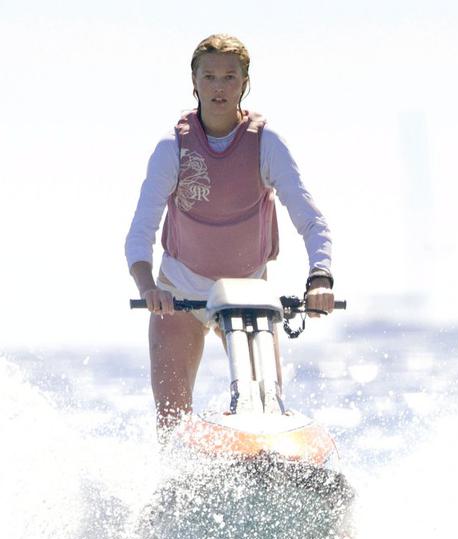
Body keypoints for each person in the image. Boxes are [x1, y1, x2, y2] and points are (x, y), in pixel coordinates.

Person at [125, 34, 334, 440]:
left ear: (244, 83)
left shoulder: (266, 143)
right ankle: (181, 468)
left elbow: (311, 220)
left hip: (247, 294)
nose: (219, 87)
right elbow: (140, 231)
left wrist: (320, 278)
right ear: (194, 82)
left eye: (229, 77)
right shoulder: (172, 147)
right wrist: (148, 287)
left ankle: (266, 460)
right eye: (209, 77)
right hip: (179, 295)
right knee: (172, 423)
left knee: (265, 407)